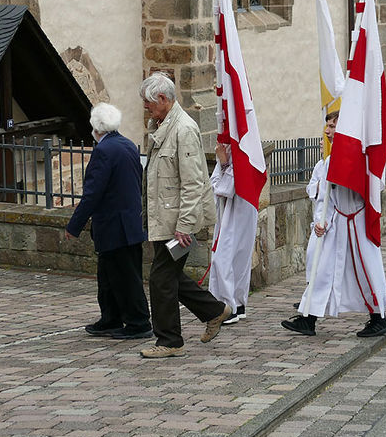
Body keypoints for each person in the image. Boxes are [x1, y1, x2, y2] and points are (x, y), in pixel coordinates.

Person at [139, 72, 231, 358]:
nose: (146, 108)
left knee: (161, 279)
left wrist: (185, 225)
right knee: (171, 276)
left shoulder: (183, 130)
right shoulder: (163, 125)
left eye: (149, 103)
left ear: (164, 99)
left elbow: (192, 183)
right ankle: (215, 311)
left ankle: (170, 341)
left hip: (175, 222)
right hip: (164, 219)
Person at [281, 112, 386, 338]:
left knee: (366, 269)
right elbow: (325, 197)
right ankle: (308, 319)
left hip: (358, 223)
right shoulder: (329, 161)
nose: (327, 131)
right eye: (327, 126)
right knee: (322, 268)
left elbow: (375, 184)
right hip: (338, 222)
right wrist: (323, 221)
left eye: (332, 126)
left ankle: (379, 318)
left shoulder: (363, 156)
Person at [66, 103, 153, 340]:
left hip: (115, 225)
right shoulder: (127, 145)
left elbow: (93, 193)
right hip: (128, 223)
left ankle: (138, 322)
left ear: (96, 127)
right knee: (109, 276)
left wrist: (74, 226)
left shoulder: (104, 151)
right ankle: (111, 318)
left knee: (124, 277)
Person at [207, 142, 258, 324]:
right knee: (236, 259)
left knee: (226, 259)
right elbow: (214, 185)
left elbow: (223, 190)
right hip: (234, 212)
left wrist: (223, 162)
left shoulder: (244, 150)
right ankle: (237, 303)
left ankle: (228, 307)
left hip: (239, 211)